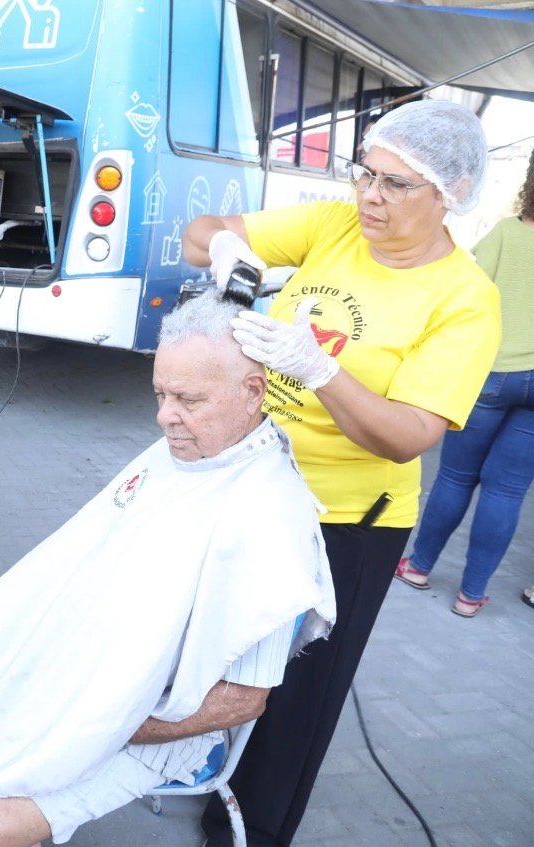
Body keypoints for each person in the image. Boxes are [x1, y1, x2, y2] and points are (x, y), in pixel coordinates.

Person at [0, 291, 335, 846]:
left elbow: (243, 699)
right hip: (85, 672)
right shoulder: (183, 454)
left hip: (156, 725)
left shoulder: (268, 518)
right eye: (159, 393)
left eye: (187, 399)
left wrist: (105, 721)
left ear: (253, 391)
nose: (165, 417)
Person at [182, 99, 501, 847]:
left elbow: (408, 436)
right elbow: (203, 233)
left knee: (300, 687)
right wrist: (227, 251)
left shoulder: (464, 300)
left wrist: (316, 367)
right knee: (217, 642)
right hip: (252, 479)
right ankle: (196, 764)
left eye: (395, 184)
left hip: (348, 520)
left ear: (448, 193)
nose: (369, 196)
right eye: (364, 172)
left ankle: (253, 826)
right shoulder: (334, 225)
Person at [396, 152, 534, 616]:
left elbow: (464, 296)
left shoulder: (506, 235)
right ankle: (471, 595)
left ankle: (418, 567)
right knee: (506, 491)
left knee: (455, 477)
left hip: (489, 377)